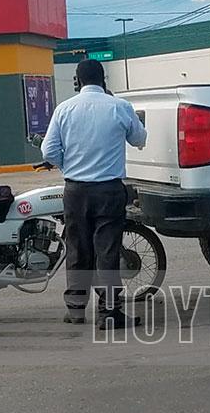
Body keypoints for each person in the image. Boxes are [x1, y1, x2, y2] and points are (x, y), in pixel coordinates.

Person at [41, 59, 147, 330]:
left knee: (77, 248)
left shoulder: (64, 109)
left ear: (77, 81)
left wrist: (69, 167)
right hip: (109, 191)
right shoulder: (119, 107)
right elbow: (139, 139)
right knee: (107, 251)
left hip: (75, 191)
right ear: (104, 80)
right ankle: (109, 313)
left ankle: (76, 309)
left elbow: (48, 151)